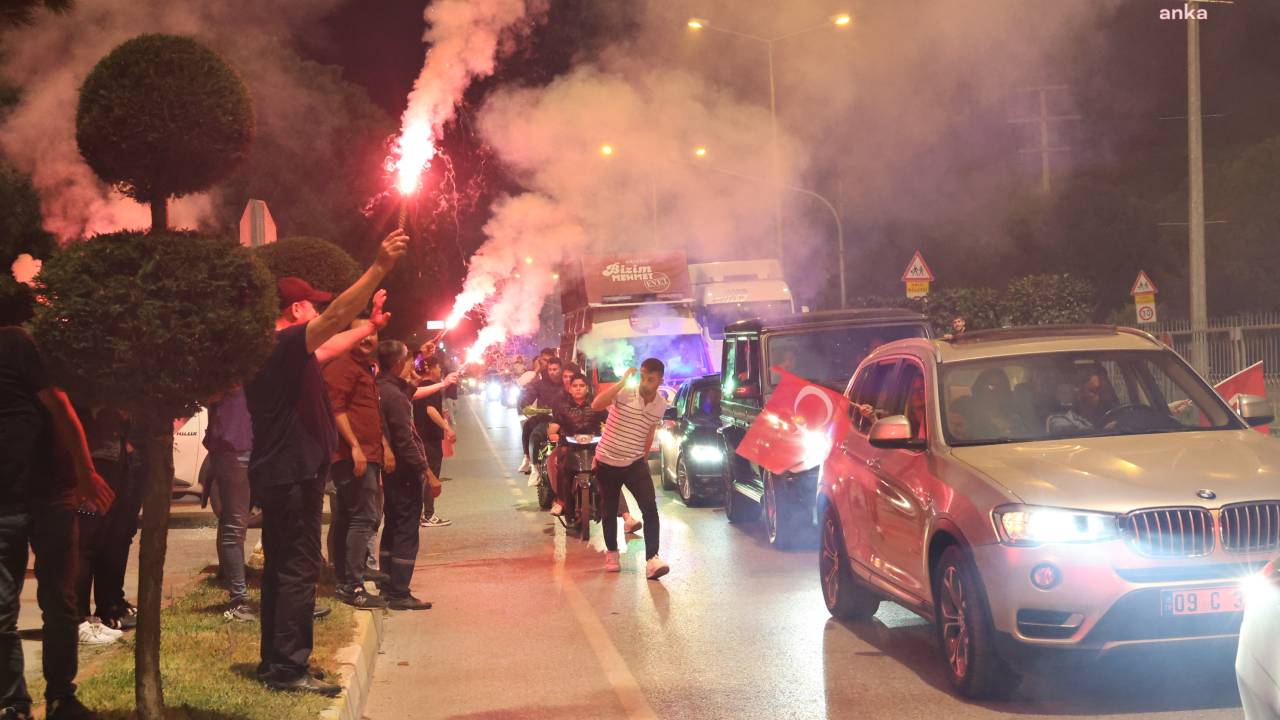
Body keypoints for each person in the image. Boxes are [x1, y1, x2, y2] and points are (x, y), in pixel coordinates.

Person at [244, 229, 407, 696]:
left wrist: (371, 326)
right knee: (297, 569)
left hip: (284, 472)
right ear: (296, 311)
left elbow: (334, 340)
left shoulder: (281, 351)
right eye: (311, 305)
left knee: (281, 567)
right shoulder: (281, 347)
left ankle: (274, 661)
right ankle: (289, 669)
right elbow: (335, 319)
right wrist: (378, 266)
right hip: (292, 475)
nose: (318, 310)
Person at [0, 324, 115, 720]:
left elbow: (60, 406)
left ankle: (61, 697)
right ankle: (14, 703)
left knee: (60, 604)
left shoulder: (15, 341)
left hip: (52, 494)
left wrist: (85, 474)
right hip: (3, 504)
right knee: (1, 610)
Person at [322, 318, 391, 610]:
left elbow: (367, 411)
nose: (369, 338)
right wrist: (354, 448)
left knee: (351, 517)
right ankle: (352, 584)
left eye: (373, 333)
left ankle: (349, 576)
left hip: (367, 452)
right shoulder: (341, 365)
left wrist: (383, 446)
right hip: (353, 456)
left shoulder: (363, 366)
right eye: (363, 332)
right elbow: (336, 409)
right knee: (363, 517)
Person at [592, 359, 670, 580]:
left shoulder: (660, 405)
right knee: (608, 509)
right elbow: (596, 405)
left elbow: (649, 432)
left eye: (651, 379)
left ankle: (652, 559)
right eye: (643, 376)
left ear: (660, 380)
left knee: (650, 508)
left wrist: (643, 458)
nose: (646, 382)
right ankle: (612, 552)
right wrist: (621, 382)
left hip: (634, 463)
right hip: (607, 461)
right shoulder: (625, 392)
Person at [375, 340, 435, 610]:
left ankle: (387, 583)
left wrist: (421, 361)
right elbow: (405, 440)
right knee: (406, 529)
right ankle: (400, 591)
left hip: (392, 473)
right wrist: (427, 471)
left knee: (393, 524)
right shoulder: (394, 396)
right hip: (405, 472)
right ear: (398, 363)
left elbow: (406, 391)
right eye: (408, 360)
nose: (412, 364)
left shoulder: (382, 387)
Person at [74, 405, 141, 637]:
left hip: (116, 457)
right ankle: (78, 617)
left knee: (113, 537)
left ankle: (107, 608)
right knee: (87, 539)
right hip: (97, 459)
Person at [202, 388, 258, 621]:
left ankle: (283, 594)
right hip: (234, 443)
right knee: (234, 524)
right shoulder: (229, 362)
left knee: (239, 523)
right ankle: (238, 599)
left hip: (252, 441)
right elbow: (206, 395)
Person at [545, 373, 608, 517]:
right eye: (575, 386)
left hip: (594, 448)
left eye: (581, 386)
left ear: (587, 388)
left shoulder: (596, 404)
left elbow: (610, 421)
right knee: (563, 468)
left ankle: (622, 512)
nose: (578, 389)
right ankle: (561, 502)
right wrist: (552, 433)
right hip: (570, 447)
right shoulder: (562, 406)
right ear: (570, 389)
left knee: (608, 472)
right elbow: (555, 425)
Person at [413, 356, 456, 528]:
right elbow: (430, 410)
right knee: (430, 476)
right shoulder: (430, 388)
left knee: (422, 476)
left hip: (422, 436)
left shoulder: (419, 387)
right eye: (438, 367)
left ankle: (419, 514)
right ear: (430, 368)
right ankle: (428, 515)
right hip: (429, 437)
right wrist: (447, 428)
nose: (440, 371)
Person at [518, 356, 563, 476]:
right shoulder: (540, 384)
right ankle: (533, 466)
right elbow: (529, 394)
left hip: (567, 420)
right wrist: (525, 403)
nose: (553, 372)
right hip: (546, 420)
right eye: (550, 369)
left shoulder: (568, 384)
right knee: (533, 432)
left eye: (555, 369)